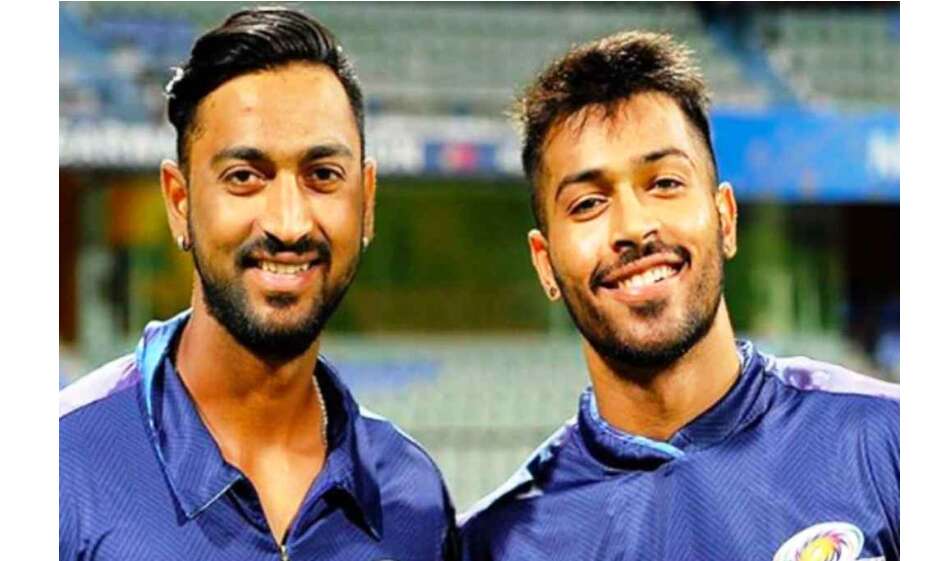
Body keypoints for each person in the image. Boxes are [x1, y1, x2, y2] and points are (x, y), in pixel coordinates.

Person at [460, 31, 898, 561]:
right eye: (588, 203)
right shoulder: (495, 544)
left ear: (725, 218)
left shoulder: (891, 441)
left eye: (665, 183)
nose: (633, 227)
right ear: (545, 263)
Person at [60, 8, 456, 560]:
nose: (289, 224)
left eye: (323, 175)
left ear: (366, 202)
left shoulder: (414, 497)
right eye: (244, 177)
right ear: (179, 202)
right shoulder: (58, 468)